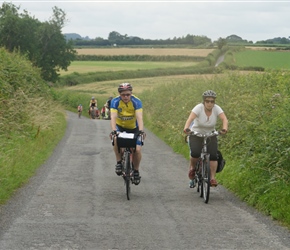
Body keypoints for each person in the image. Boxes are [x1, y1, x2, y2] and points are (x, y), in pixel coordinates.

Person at [183, 90, 228, 188]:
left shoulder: (216, 108)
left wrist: (224, 129)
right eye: (207, 101)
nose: (210, 103)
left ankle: (212, 178)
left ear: (214, 102)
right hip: (196, 133)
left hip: (210, 134)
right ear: (204, 101)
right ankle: (193, 169)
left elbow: (224, 119)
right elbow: (190, 119)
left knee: (213, 156)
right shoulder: (198, 108)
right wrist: (187, 128)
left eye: (212, 101)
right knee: (195, 153)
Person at [109, 83, 145, 184]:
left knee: (137, 150)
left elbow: (139, 117)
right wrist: (113, 130)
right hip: (120, 126)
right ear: (119, 94)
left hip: (134, 127)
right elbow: (113, 117)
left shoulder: (136, 101)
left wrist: (141, 131)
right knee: (116, 139)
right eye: (123, 95)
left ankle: (136, 171)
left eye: (128, 94)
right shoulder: (115, 102)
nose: (126, 97)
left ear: (131, 94)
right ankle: (119, 162)